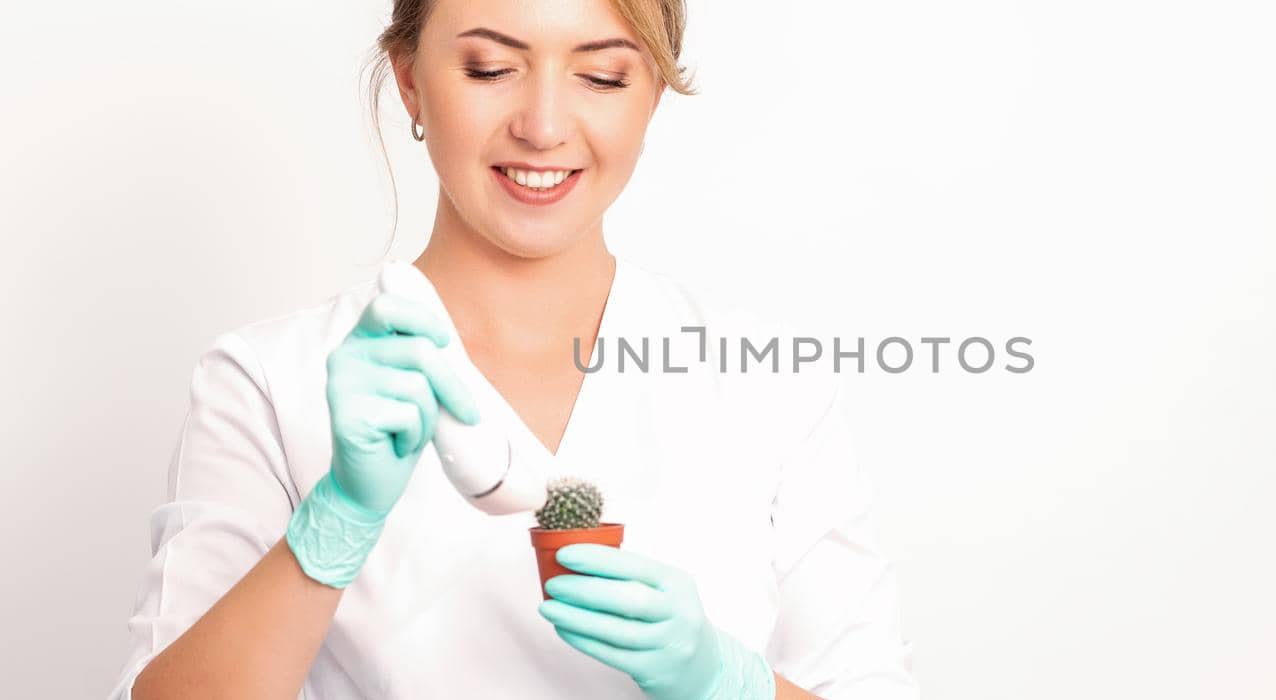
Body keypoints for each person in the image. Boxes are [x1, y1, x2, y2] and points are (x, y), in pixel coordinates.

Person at [109, 0, 918, 698]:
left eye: (602, 76)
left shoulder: (764, 386)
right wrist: (336, 525)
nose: (542, 126)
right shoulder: (267, 381)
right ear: (410, 81)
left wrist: (724, 683)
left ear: (654, 96)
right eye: (491, 69)